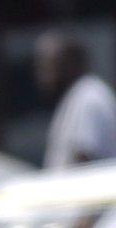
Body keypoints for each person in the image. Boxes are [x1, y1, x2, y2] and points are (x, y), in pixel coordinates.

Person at [38, 31, 116, 169]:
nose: (44, 75)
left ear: (71, 64)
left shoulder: (89, 97)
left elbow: (85, 158)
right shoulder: (76, 96)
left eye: (51, 65)